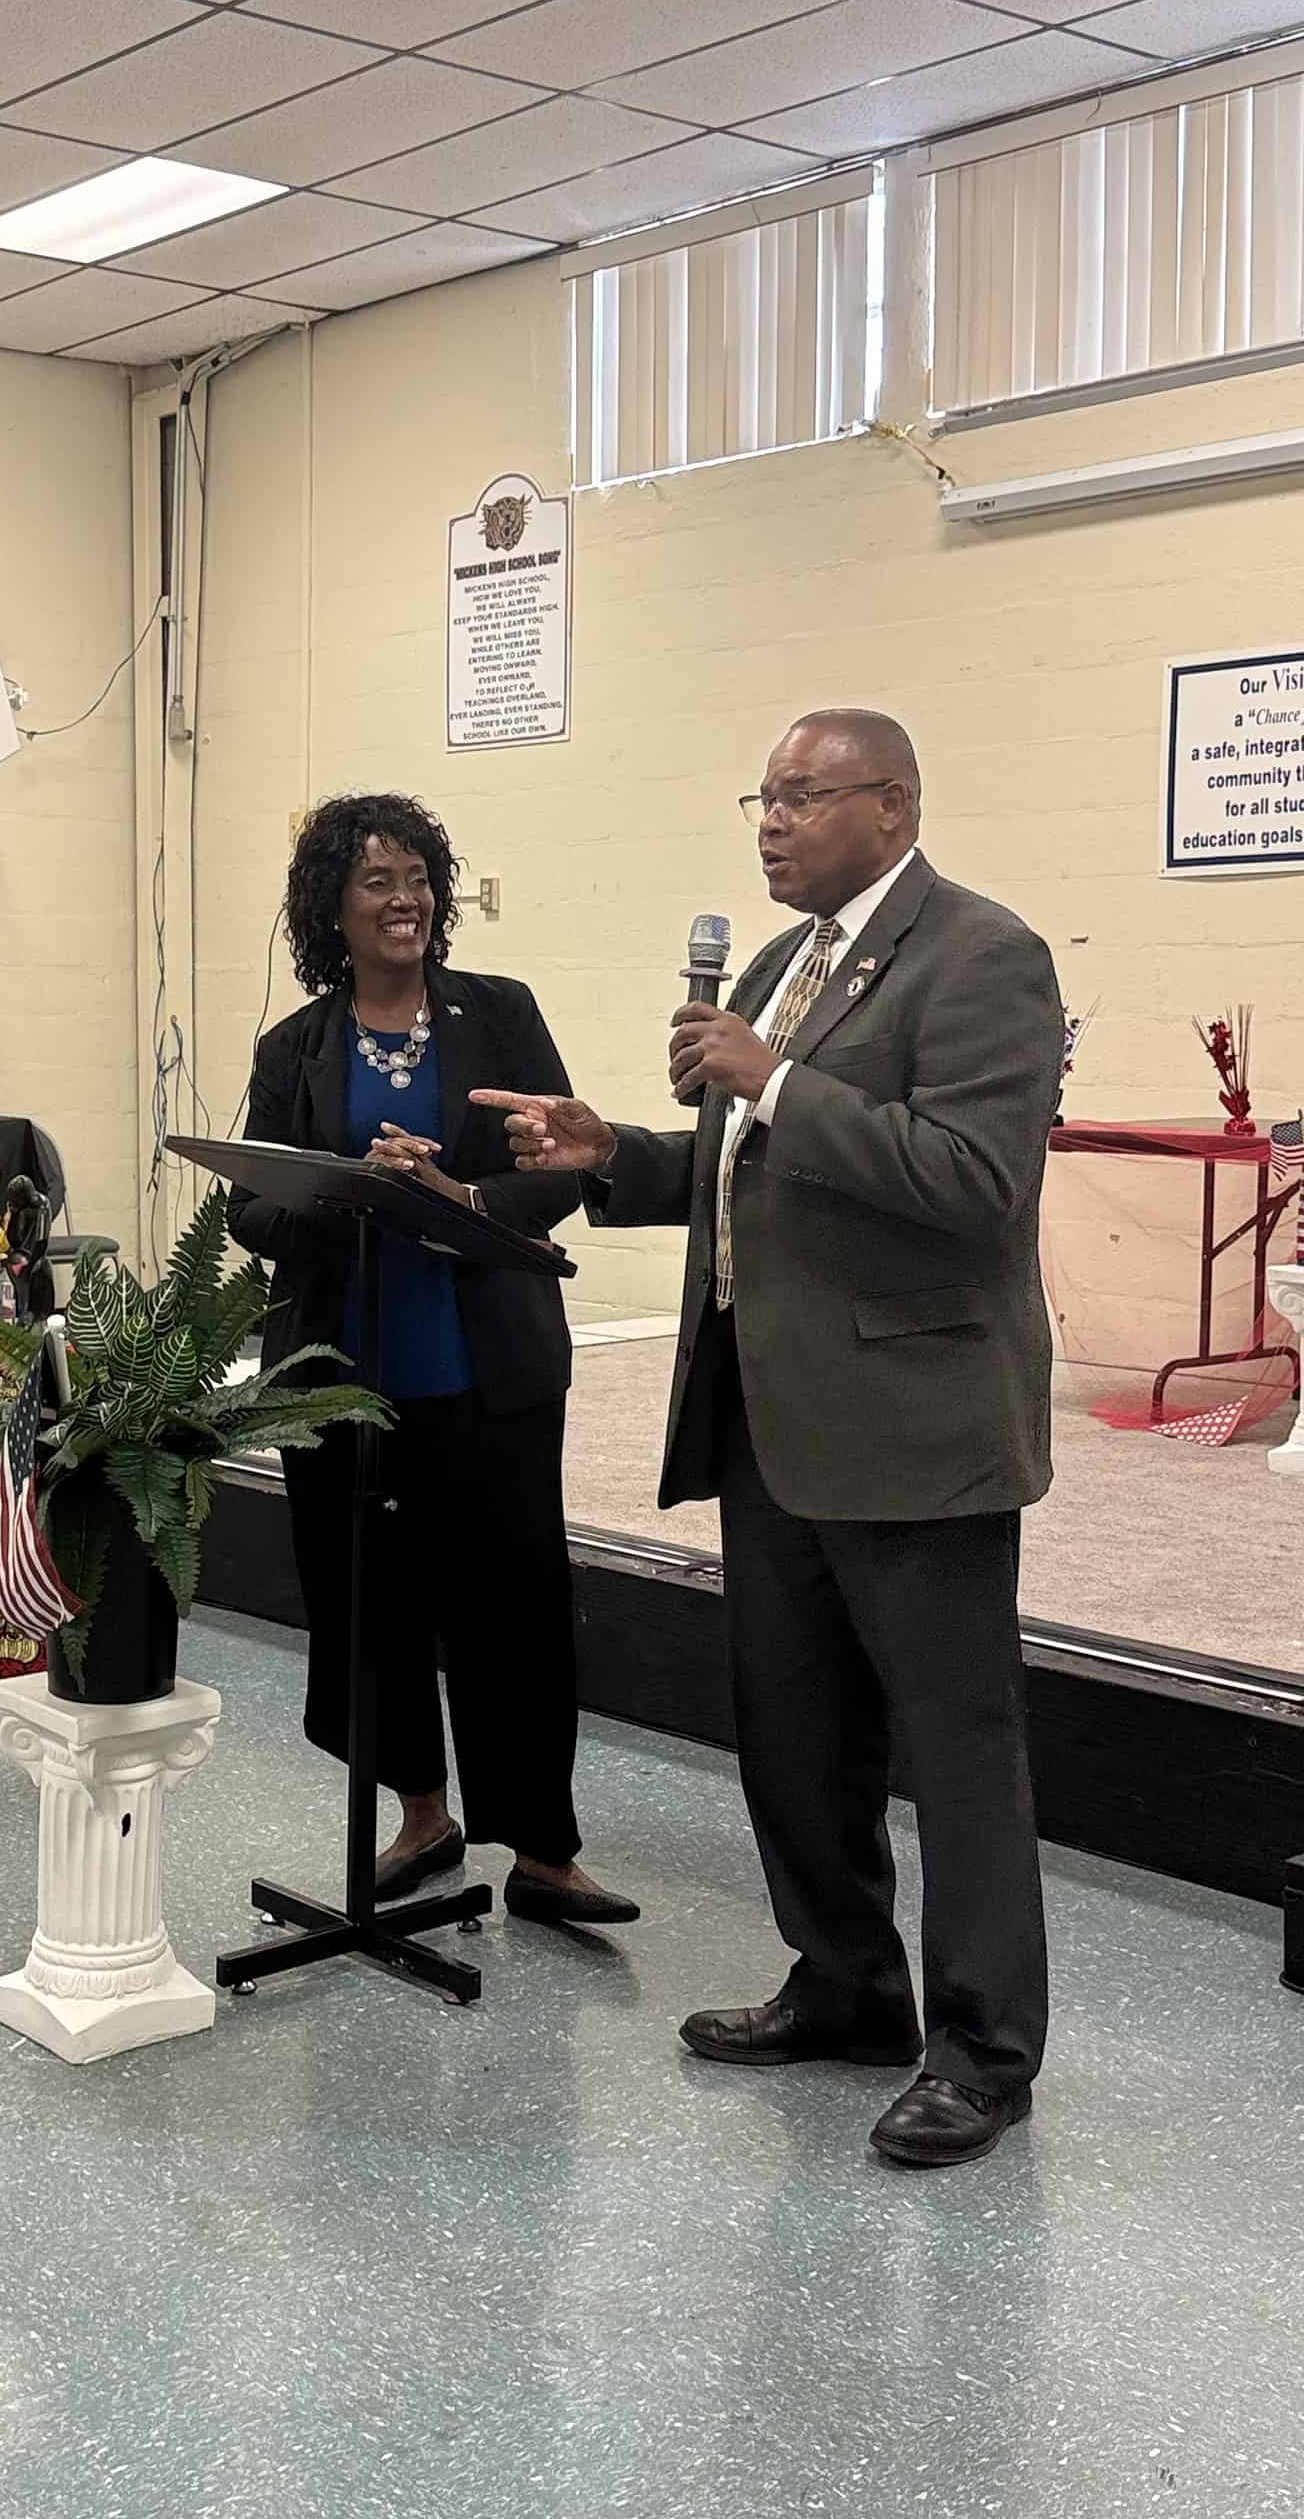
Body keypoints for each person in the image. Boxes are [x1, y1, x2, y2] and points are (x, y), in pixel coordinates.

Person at [476, 709, 1060, 2165]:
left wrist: (776, 1082)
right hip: (769, 1419)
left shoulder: (984, 956)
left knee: (955, 1744)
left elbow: (974, 1180)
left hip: (918, 1427)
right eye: (764, 797)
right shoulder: (780, 966)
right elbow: (757, 1169)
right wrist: (617, 1155)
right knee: (795, 1732)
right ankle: (848, 1983)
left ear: (894, 803)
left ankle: (983, 2050)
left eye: (803, 798)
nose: (772, 822)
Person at [229, 792, 638, 1926]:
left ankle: (546, 1854)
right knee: (374, 1606)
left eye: (417, 877)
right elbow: (249, 1215)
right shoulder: (296, 1049)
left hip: (487, 1367)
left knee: (513, 1603)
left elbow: (561, 1171)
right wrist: (350, 1188)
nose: (404, 899)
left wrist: (458, 1193)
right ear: (333, 907)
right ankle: (422, 1811)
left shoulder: (499, 1015)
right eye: (376, 881)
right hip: (345, 1377)